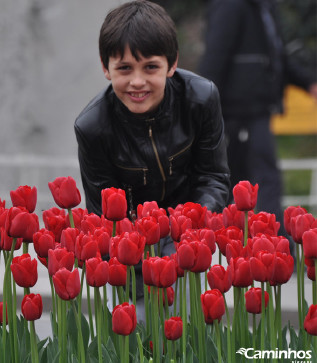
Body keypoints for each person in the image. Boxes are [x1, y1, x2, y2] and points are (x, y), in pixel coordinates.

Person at [74, 0, 230, 316]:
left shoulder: (200, 99)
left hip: (188, 245)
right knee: (137, 332)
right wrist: (138, 265)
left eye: (150, 67)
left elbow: (213, 179)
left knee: (191, 333)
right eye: (124, 68)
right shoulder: (92, 127)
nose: (137, 82)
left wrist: (179, 245)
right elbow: (103, 215)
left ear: (172, 65)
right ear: (106, 68)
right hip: (130, 254)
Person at [198, 0, 317, 243]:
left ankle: (258, 251)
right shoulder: (231, 6)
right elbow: (215, 57)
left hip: (257, 111)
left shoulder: (263, 7)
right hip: (238, 113)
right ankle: (269, 250)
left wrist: (308, 82)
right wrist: (201, 109)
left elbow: (276, 57)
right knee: (257, 182)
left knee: (246, 183)